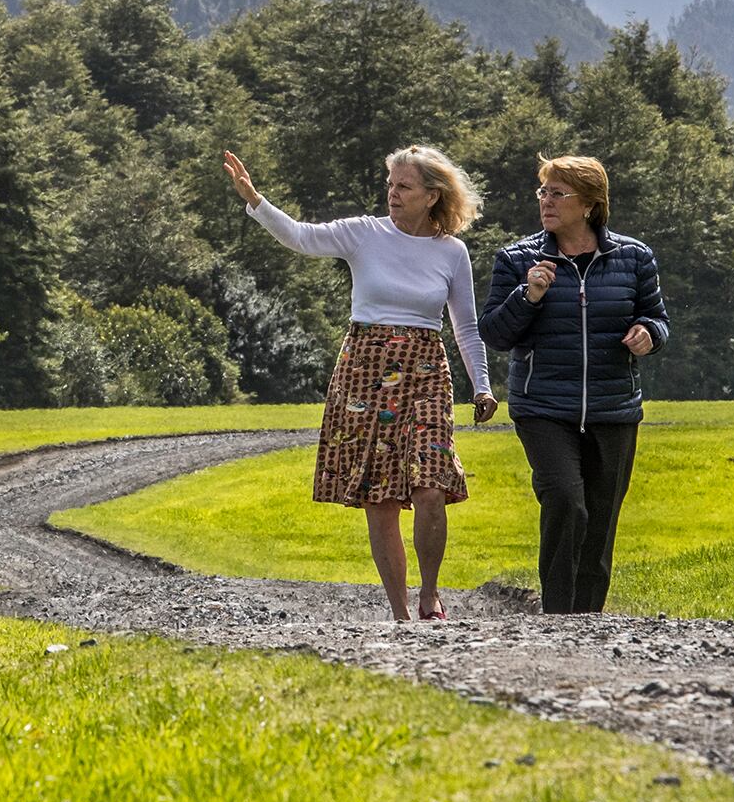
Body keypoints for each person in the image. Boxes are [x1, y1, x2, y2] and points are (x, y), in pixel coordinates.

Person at [223, 145, 496, 621]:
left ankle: (430, 596)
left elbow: (466, 327)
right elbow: (301, 237)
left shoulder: (452, 252)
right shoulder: (364, 234)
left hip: (425, 371)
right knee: (381, 495)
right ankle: (399, 612)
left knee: (430, 484)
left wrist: (483, 385)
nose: (392, 193)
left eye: (403, 186)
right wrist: (255, 200)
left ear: (432, 196)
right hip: (365, 372)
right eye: (390, 185)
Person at [478, 155, 669, 615]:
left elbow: (658, 319)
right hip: (542, 406)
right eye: (543, 192)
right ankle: (558, 615)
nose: (546, 201)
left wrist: (648, 334)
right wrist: (529, 296)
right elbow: (495, 334)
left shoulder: (634, 257)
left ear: (589, 203)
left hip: (613, 408)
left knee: (601, 519)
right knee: (565, 500)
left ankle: (589, 620)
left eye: (557, 193)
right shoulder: (518, 259)